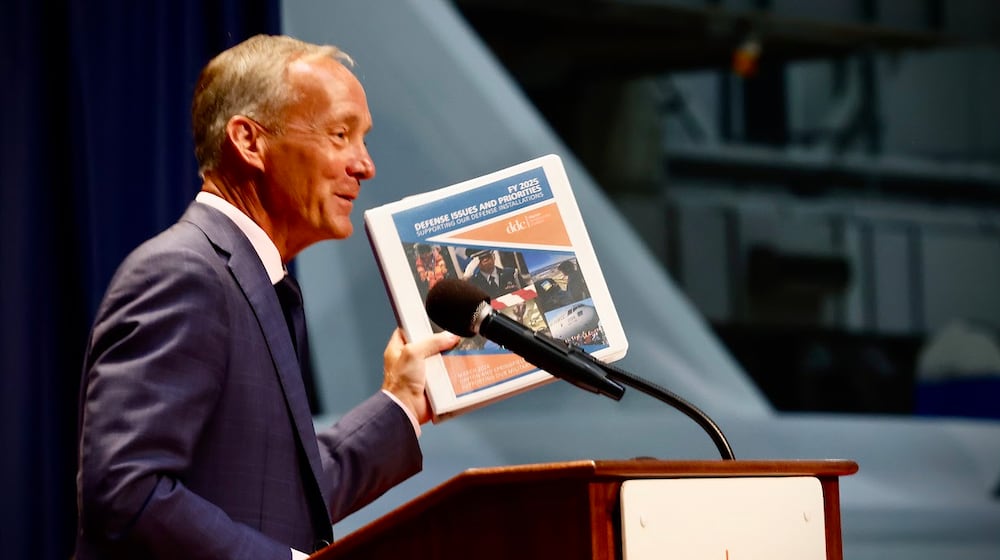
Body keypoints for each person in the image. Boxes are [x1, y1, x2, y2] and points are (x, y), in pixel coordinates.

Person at [74, 34, 459, 559]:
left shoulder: (246, 278)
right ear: (249, 141)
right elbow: (127, 491)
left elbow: (281, 497)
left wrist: (405, 403)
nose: (365, 165)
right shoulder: (184, 272)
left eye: (362, 140)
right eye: (340, 134)